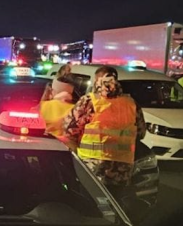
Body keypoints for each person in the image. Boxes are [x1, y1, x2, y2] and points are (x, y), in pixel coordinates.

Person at [62, 66, 146, 199]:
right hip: (122, 169)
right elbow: (141, 133)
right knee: (115, 204)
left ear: (97, 81)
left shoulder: (89, 101)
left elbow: (69, 130)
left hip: (93, 167)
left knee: (91, 204)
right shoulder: (131, 104)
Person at [40, 76, 76, 143]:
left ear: (53, 91)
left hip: (42, 143)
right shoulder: (76, 110)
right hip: (65, 146)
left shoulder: (42, 106)